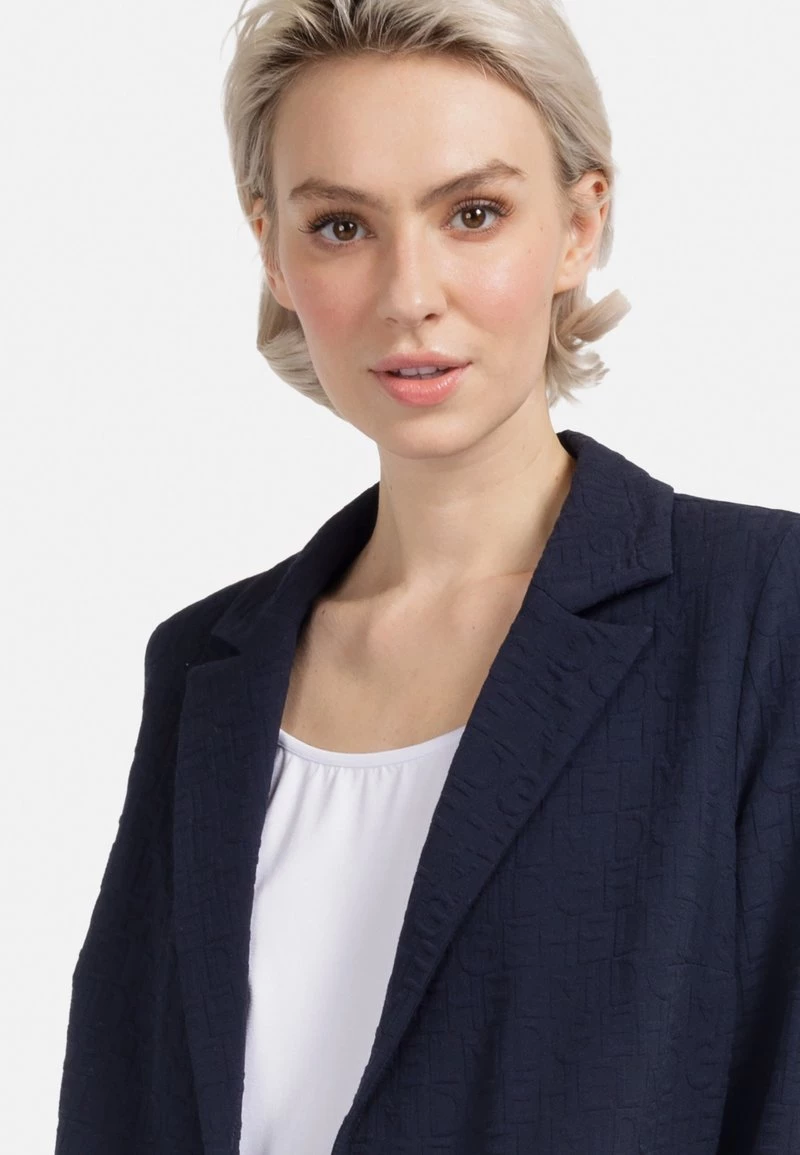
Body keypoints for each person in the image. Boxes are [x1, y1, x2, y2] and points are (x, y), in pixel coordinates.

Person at [54, 1, 800, 1153]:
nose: (408, 293)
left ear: (577, 226)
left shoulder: (758, 612)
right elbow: (122, 1108)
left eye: (472, 213)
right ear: (271, 249)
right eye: (340, 226)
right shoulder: (206, 665)